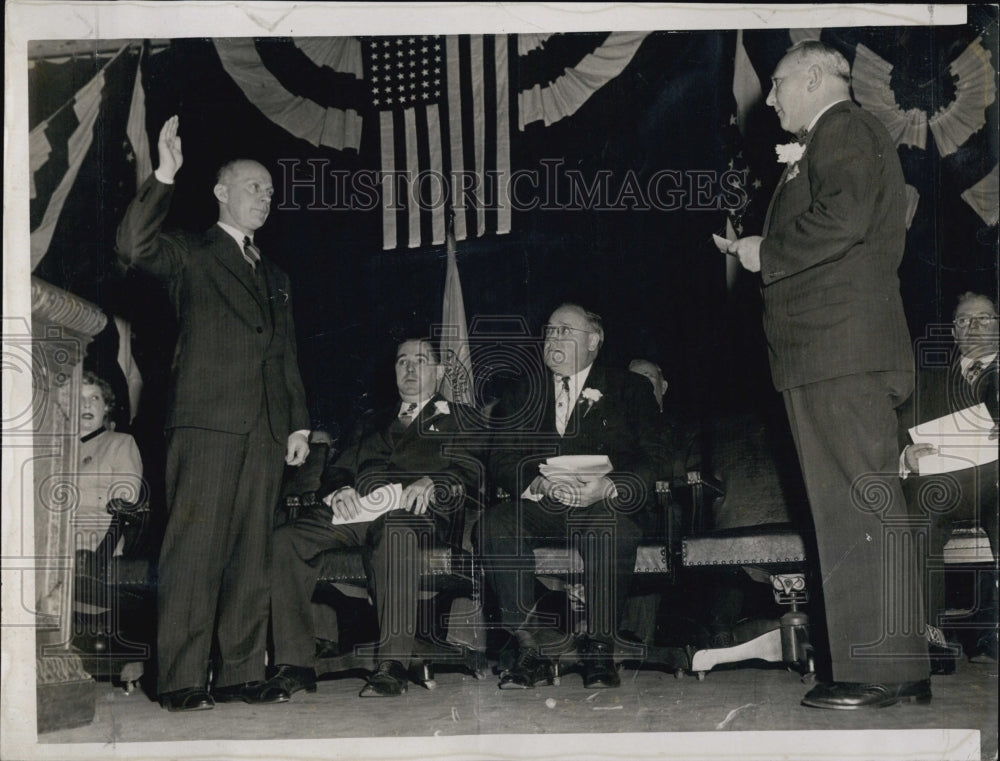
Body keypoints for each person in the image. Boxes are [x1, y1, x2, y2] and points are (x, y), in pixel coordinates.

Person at [727, 41, 931, 709]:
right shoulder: (842, 134)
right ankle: (894, 664)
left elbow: (841, 220)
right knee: (857, 506)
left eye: (780, 85)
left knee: (854, 507)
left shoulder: (842, 127)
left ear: (814, 77)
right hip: (833, 354)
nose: (772, 98)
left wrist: (765, 251)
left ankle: (880, 669)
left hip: (839, 354)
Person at [116, 116, 311, 711]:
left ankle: (239, 672)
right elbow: (132, 246)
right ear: (222, 192)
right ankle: (178, 678)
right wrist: (164, 174)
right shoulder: (192, 254)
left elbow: (284, 354)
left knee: (250, 555)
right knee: (195, 551)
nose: (266, 199)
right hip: (205, 424)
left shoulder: (274, 274)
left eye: (271, 192)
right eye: (255, 187)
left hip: (265, 431)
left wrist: (297, 423)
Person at [266, 338, 481, 698]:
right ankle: (295, 665)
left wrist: (434, 481)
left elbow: (474, 471)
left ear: (440, 371)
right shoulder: (372, 420)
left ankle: (392, 664)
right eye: (402, 362)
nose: (410, 369)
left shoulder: (461, 417)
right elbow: (337, 469)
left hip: (415, 515)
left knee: (393, 529)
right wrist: (341, 490)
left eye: (420, 361)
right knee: (285, 540)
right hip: (359, 512)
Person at [481, 303, 663, 689]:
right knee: (495, 522)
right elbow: (501, 459)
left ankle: (599, 646)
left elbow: (656, 458)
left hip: (602, 503)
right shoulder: (520, 394)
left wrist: (610, 486)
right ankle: (529, 645)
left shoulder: (629, 388)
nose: (553, 338)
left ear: (594, 341)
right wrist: (538, 482)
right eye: (549, 331)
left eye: (565, 330)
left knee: (611, 528)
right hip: (544, 505)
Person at [900, 292, 998, 662]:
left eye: (984, 318)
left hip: (997, 484)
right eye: (963, 320)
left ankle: (993, 636)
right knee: (916, 507)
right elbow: (900, 429)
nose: (972, 327)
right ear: (953, 332)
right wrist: (906, 456)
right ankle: (929, 635)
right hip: (945, 485)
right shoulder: (925, 381)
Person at [75, 371, 144, 553]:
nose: (87, 404)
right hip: (54, 532)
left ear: (106, 406)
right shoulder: (57, 449)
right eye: (80, 398)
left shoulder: (120, 442)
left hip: (95, 538)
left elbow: (126, 499)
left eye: (95, 398)